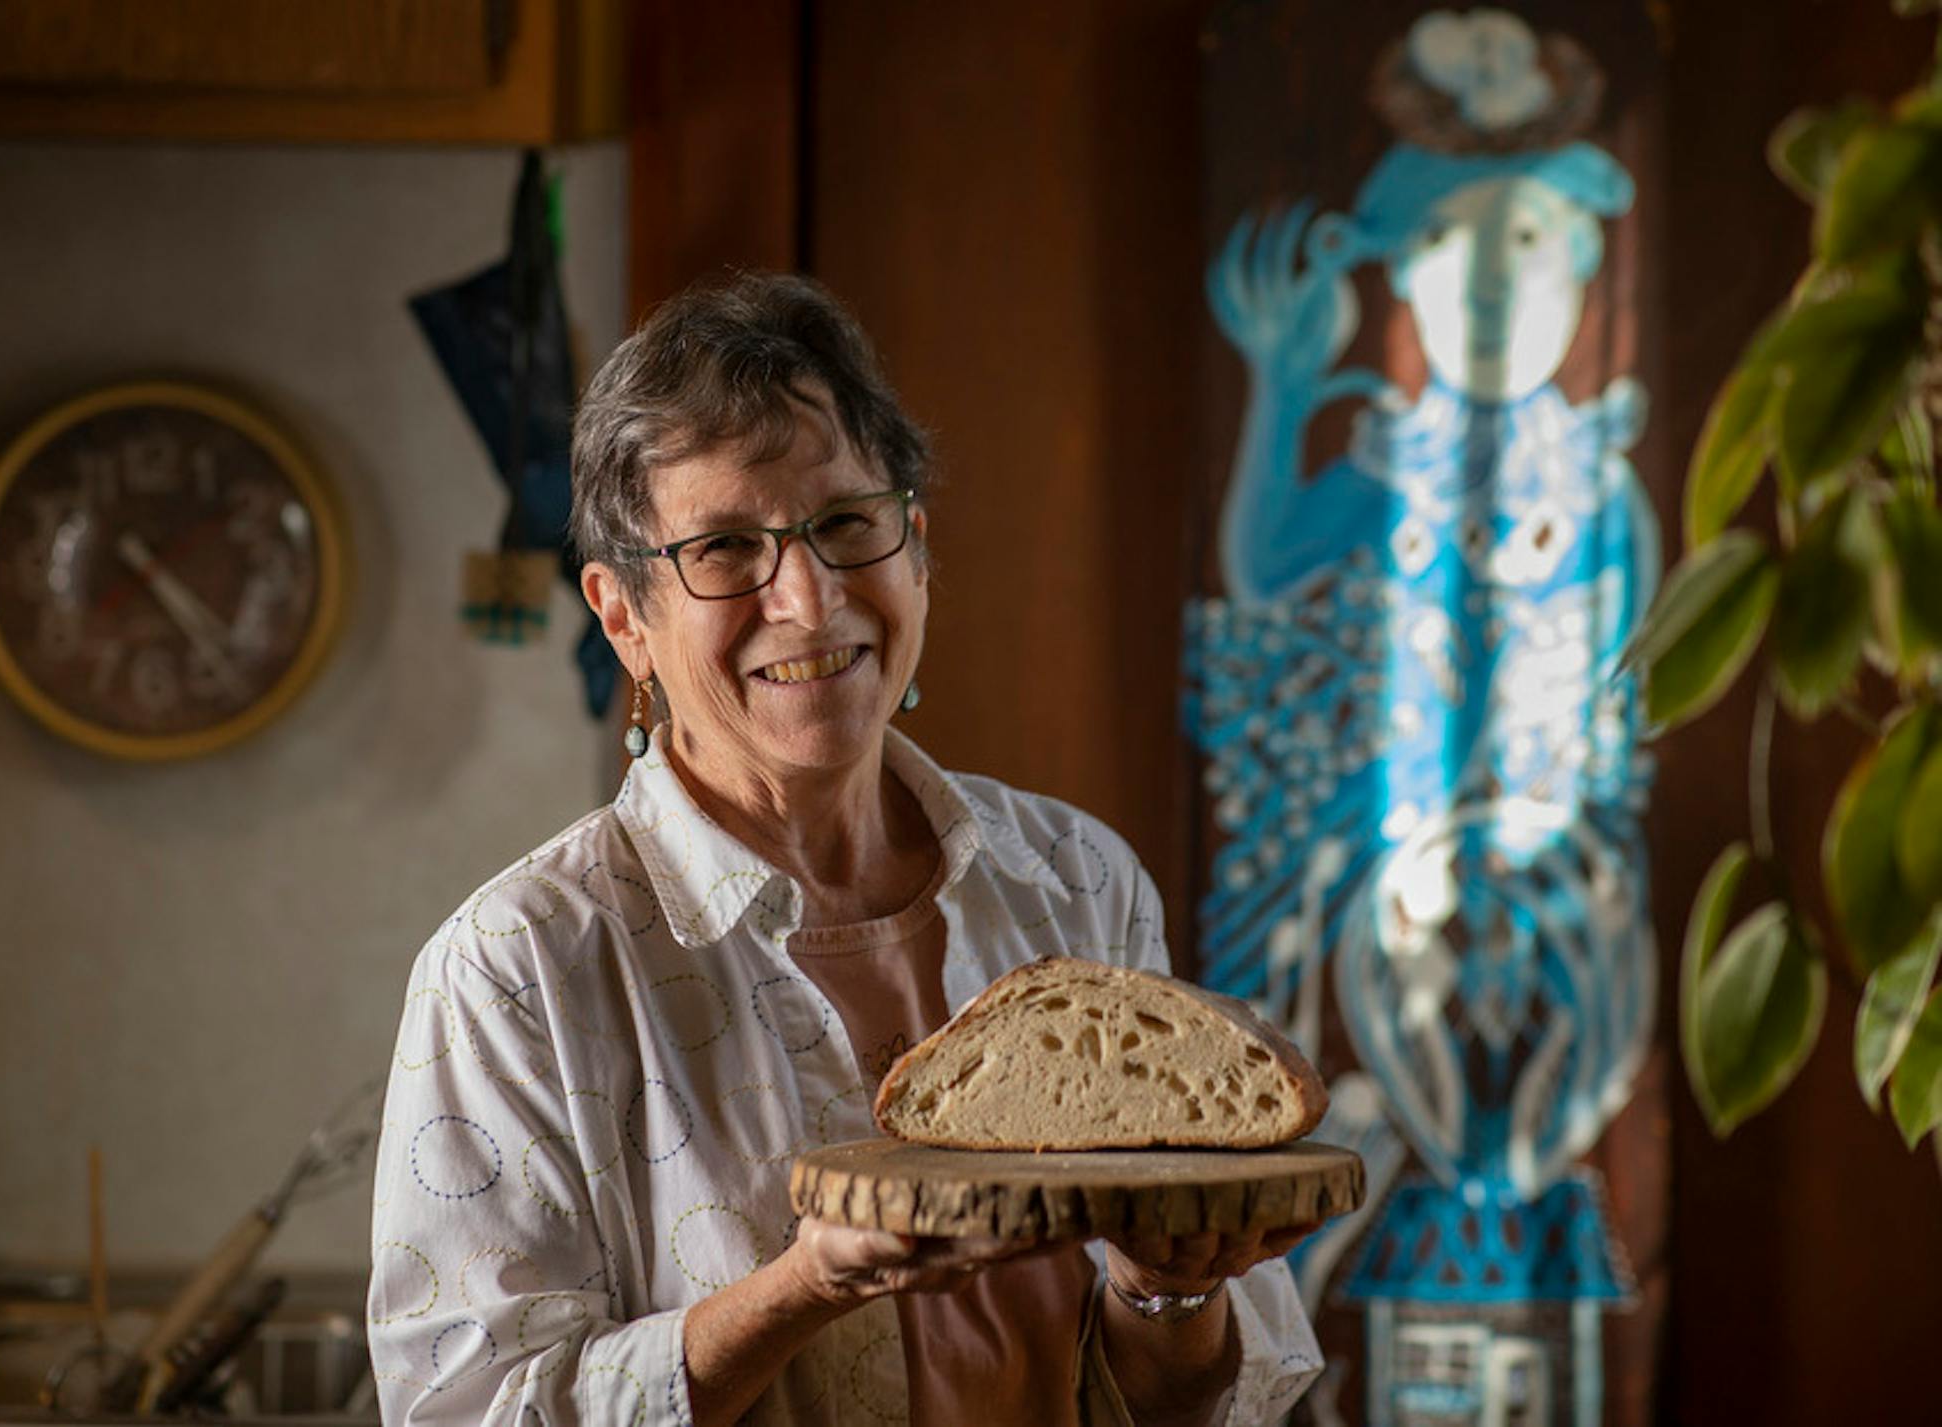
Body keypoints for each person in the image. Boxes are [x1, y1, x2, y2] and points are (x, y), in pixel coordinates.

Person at [367, 273, 1330, 1426]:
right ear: (624, 618)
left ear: (913, 546)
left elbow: (1186, 1399)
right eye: (725, 547)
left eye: (843, 523)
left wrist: (1169, 1289)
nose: (811, 600)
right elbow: (473, 1410)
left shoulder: (1077, 876)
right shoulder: (518, 966)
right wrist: (801, 1287)